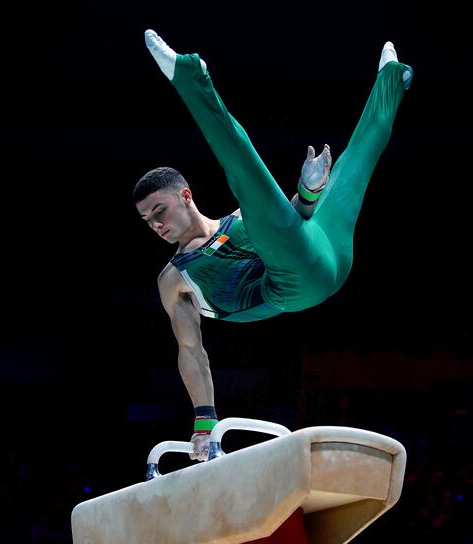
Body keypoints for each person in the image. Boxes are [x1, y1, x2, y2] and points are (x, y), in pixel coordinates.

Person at [134, 29, 412, 461]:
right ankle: (193, 80)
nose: (155, 224)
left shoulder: (241, 221)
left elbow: (292, 223)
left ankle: (392, 78)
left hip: (319, 252)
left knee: (355, 163)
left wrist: (308, 194)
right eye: (147, 220)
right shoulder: (175, 278)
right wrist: (204, 423)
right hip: (291, 286)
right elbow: (193, 351)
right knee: (262, 203)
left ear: (186, 196)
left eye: (159, 211)